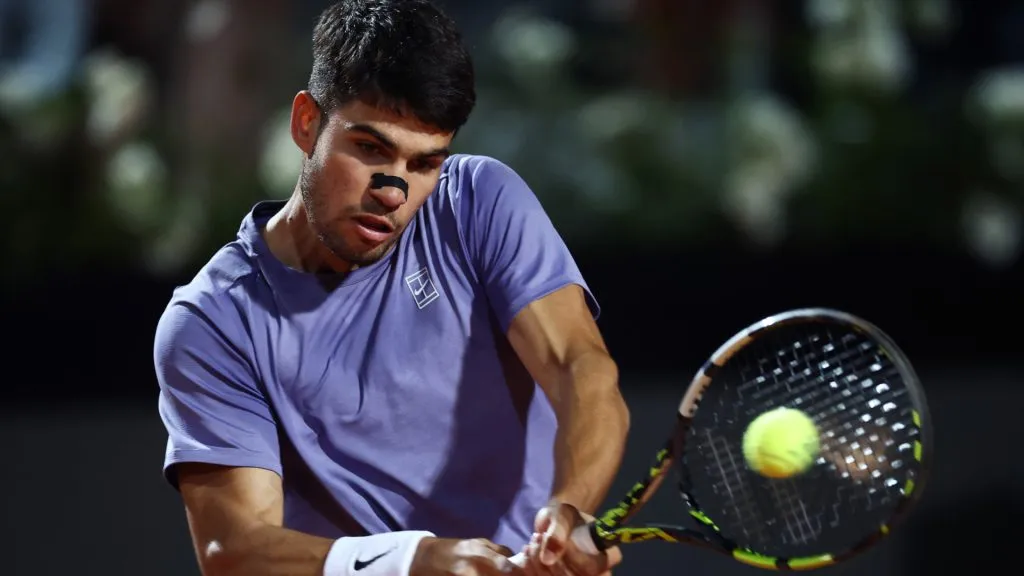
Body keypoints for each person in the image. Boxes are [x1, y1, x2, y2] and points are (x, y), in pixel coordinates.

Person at [153, 1, 630, 575]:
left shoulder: (478, 200)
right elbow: (235, 549)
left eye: (424, 163)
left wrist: (569, 505)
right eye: (371, 149)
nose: (394, 191)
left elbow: (581, 367)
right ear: (307, 123)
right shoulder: (214, 323)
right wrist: (413, 559)